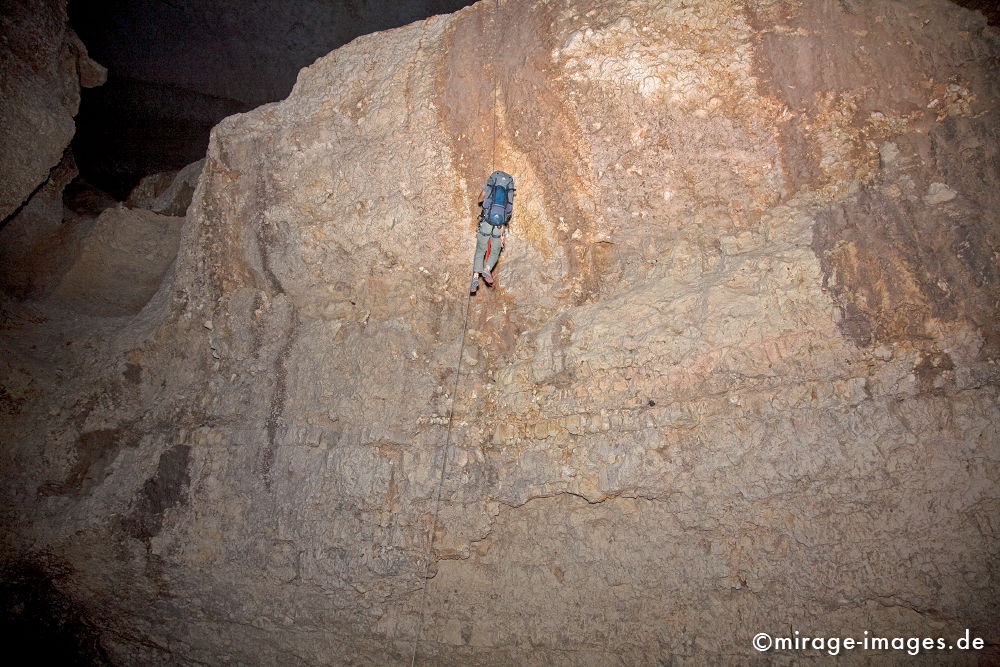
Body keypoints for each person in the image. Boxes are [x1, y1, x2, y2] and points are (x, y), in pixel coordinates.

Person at [470, 170, 515, 294]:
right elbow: (508, 212)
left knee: (480, 250)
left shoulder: (490, 185)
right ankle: (487, 268)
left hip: (486, 221)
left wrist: (486, 192)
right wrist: (502, 234)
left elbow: (480, 200)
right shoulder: (508, 191)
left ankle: (475, 277)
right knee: (495, 250)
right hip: (498, 225)